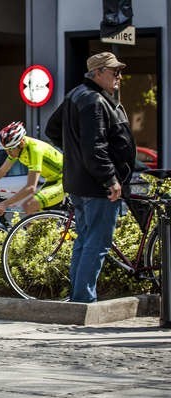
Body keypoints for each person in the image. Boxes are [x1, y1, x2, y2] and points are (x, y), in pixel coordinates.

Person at [45, 51, 135, 303]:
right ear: (97, 73)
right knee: (96, 244)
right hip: (97, 186)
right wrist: (110, 179)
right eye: (114, 71)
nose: (119, 76)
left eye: (119, 71)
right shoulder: (94, 100)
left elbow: (53, 128)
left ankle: (78, 298)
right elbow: (95, 147)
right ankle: (84, 300)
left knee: (85, 240)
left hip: (80, 182)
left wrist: (73, 152)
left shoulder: (77, 95)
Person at [0, 121, 64, 217]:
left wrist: (5, 204)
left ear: (22, 143)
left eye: (10, 149)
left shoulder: (34, 150)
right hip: (52, 179)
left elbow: (30, 188)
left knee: (28, 205)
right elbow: (1, 172)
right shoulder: (16, 149)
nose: (8, 153)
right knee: (36, 215)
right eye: (6, 149)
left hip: (65, 179)